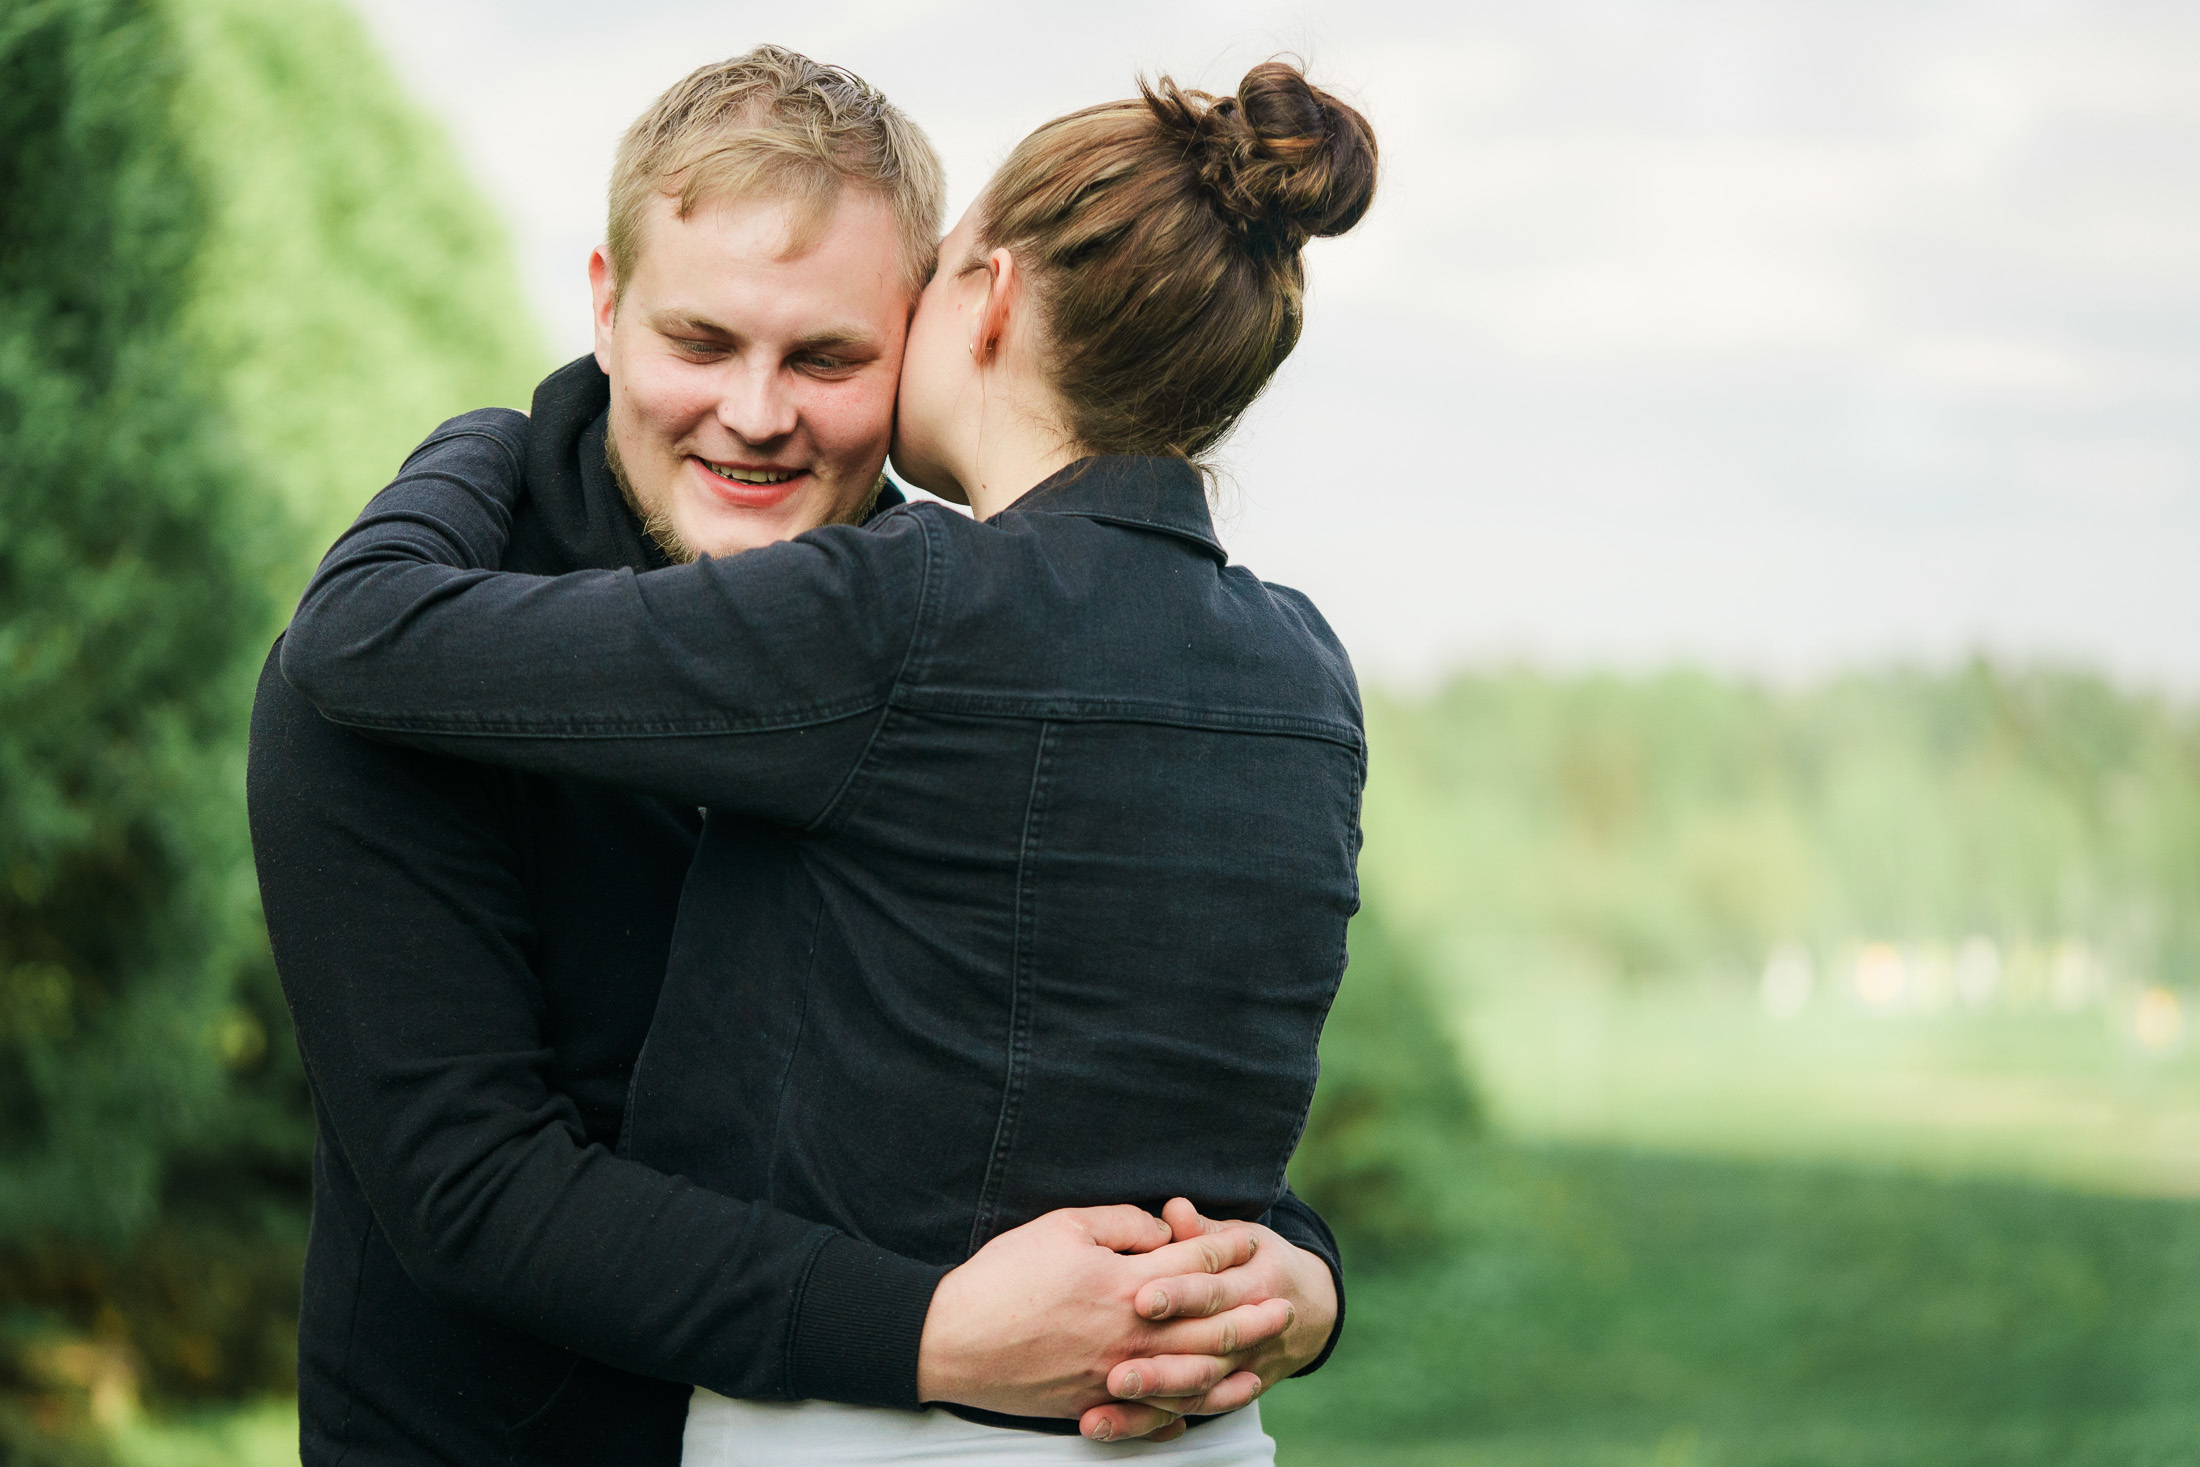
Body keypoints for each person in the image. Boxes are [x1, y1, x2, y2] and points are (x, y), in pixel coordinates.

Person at [247, 48, 1342, 1467]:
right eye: (701, 342)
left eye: (827, 356)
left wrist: (1291, 1272)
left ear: (937, 324)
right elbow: (468, 1188)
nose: (756, 413)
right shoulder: (398, 666)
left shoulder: (960, 625)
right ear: (604, 307)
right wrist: (932, 1331)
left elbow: (1101, 1071)